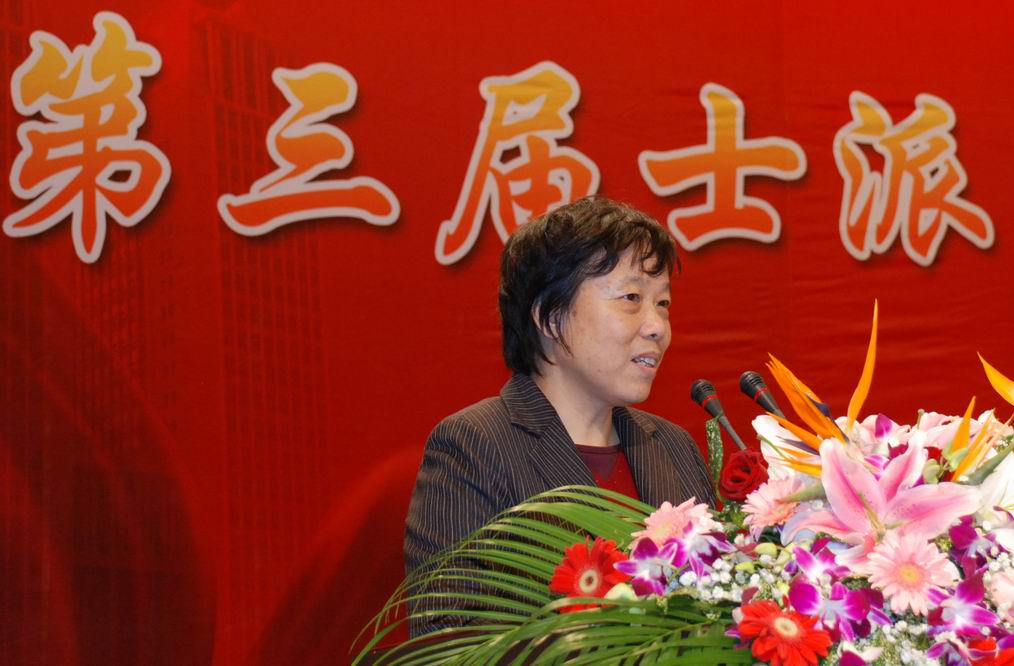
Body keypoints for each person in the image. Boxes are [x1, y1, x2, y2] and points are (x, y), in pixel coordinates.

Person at [403, 196, 716, 636]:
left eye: (662, 303)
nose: (658, 327)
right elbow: (445, 637)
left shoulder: (674, 446)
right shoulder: (474, 445)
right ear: (549, 317)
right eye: (631, 298)